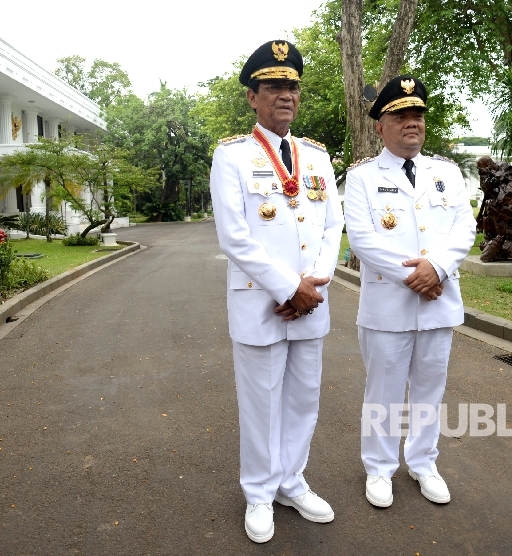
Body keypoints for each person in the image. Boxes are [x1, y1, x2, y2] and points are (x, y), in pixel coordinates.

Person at [209, 39, 343, 543]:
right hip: (262, 303)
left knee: (303, 400)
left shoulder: (316, 157)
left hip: (311, 303)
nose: (285, 94)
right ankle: (259, 493)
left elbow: (334, 225)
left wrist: (314, 284)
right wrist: (289, 288)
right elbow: (234, 236)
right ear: (253, 97)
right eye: (273, 86)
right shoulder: (233, 157)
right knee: (261, 403)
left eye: (291, 86)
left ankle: (292, 480)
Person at [343, 75, 476, 508]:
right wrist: (416, 278)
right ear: (380, 126)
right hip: (389, 306)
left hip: (438, 303)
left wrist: (436, 268)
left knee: (429, 390)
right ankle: (379, 470)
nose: (411, 122)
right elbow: (363, 240)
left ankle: (423, 463)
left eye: (417, 114)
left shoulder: (447, 173)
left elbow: (464, 226)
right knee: (383, 390)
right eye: (400, 115)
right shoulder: (362, 177)